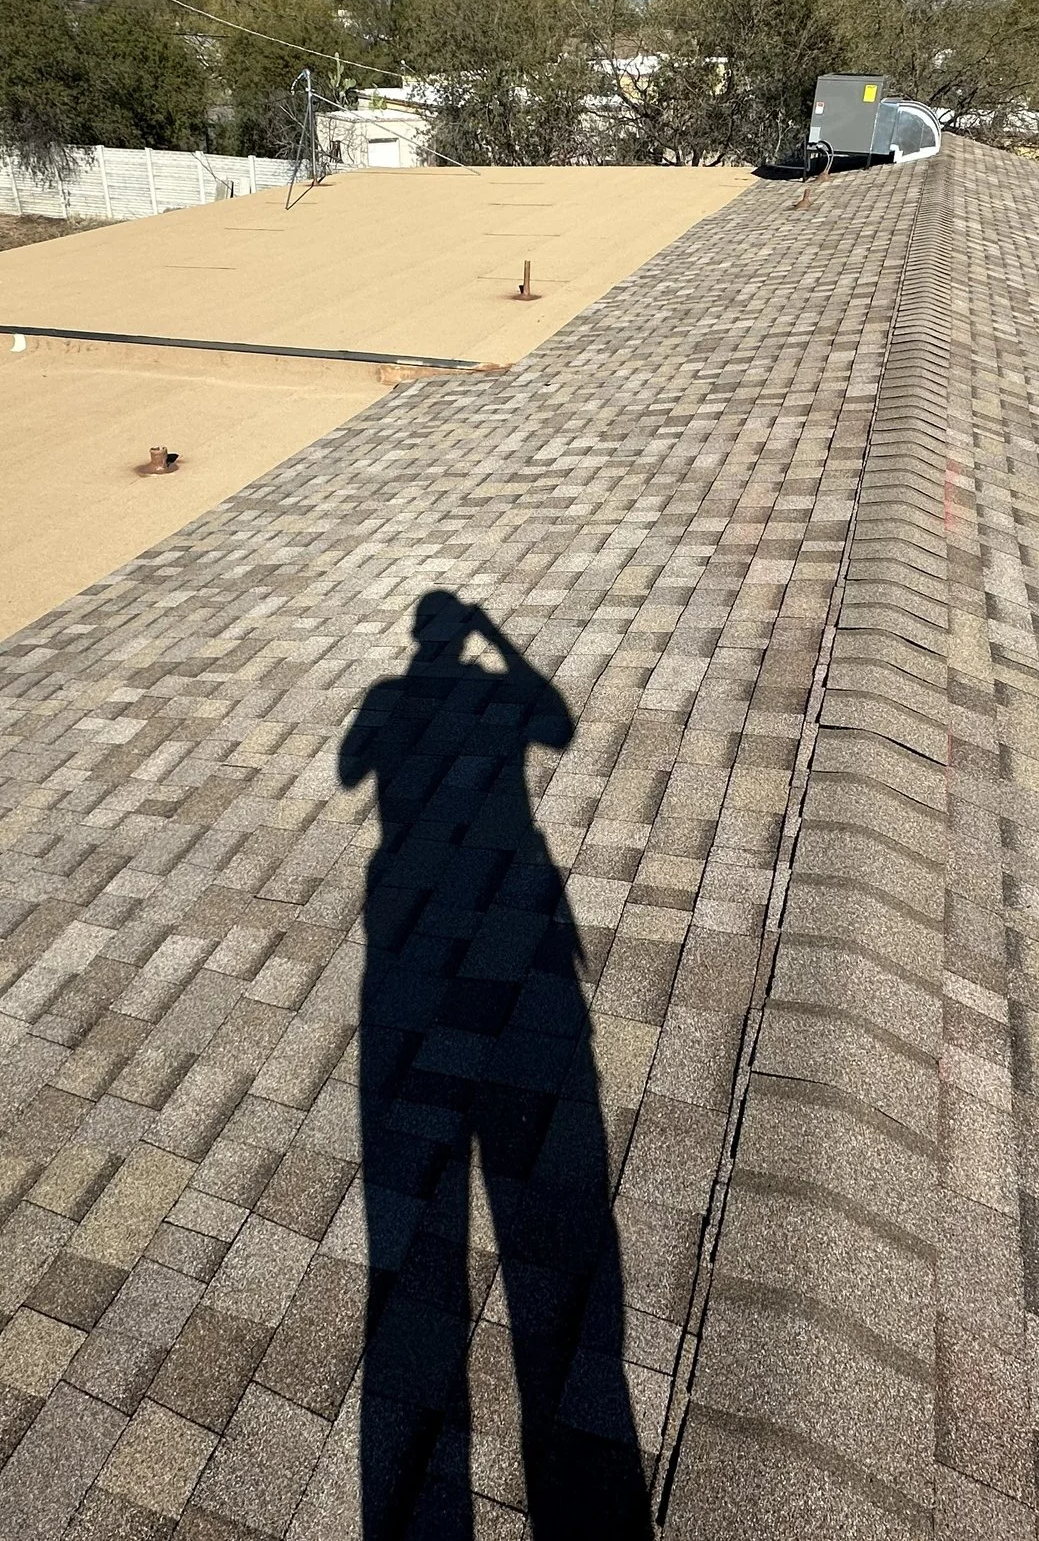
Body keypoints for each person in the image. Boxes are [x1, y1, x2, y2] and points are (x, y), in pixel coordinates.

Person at [337, 591, 651, 1540]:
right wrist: (499, 641)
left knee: (417, 1235)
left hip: (405, 926)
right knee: (561, 1241)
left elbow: (351, 768)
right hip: (513, 901)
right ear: (456, 633)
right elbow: (556, 721)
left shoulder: (388, 699)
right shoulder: (485, 691)